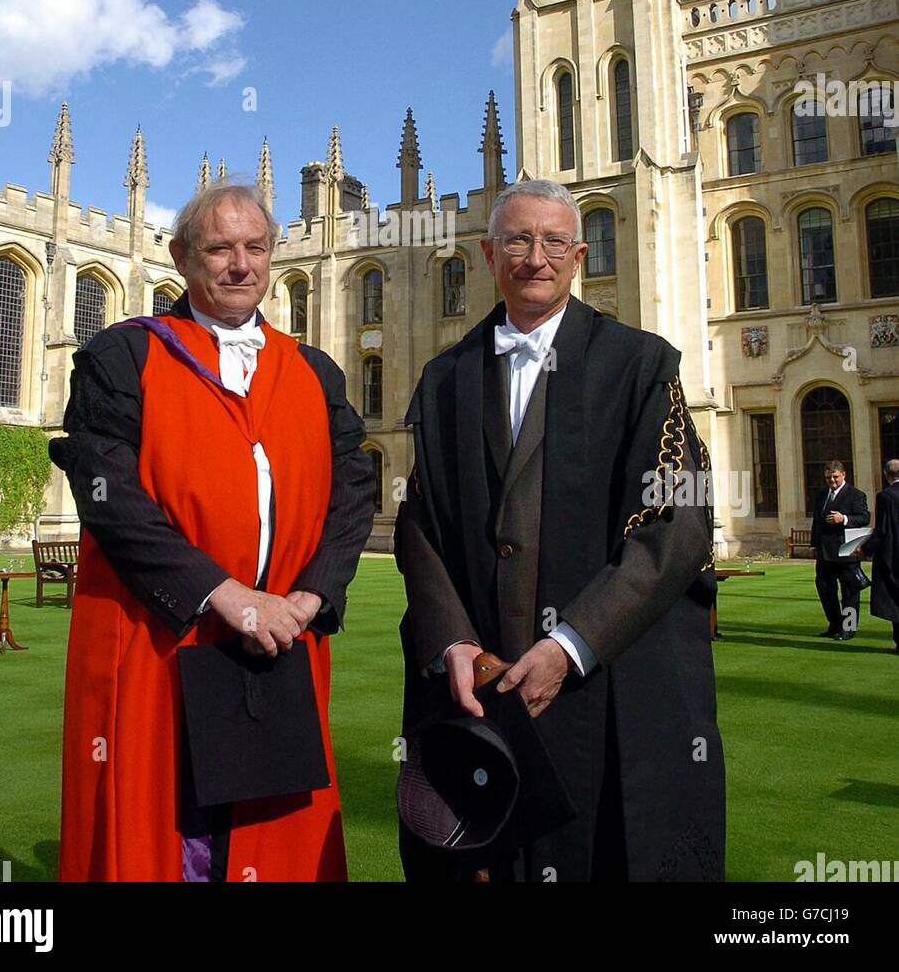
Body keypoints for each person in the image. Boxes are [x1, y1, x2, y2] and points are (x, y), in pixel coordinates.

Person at [395, 178, 724, 882]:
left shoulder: (639, 364)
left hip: (604, 683)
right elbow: (419, 525)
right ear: (487, 255)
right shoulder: (445, 377)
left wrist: (572, 642)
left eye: (551, 243)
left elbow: (677, 523)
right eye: (516, 240)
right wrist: (451, 640)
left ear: (577, 256)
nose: (533, 258)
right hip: (481, 687)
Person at [50, 181, 376, 881]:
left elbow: (352, 495)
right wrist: (224, 594)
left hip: (283, 635)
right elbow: (110, 498)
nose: (240, 265)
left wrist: (309, 599)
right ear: (181, 258)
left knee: (272, 827)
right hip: (164, 636)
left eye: (255, 248)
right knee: (171, 833)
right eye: (219, 249)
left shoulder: (314, 372)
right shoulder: (123, 357)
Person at [810, 460, 870, 641]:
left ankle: (849, 628)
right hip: (824, 553)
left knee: (850, 593)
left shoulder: (856, 495)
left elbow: (864, 518)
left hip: (846, 551)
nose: (832, 480)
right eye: (828, 477)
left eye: (835, 477)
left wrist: (843, 519)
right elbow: (816, 522)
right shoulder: (821, 495)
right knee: (825, 590)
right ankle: (834, 624)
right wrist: (813, 544)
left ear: (843, 475)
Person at [862, 459, 899, 654]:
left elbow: (882, 530)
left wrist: (865, 549)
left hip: (893, 555)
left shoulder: (886, 496)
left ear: (886, 475)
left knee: (894, 598)